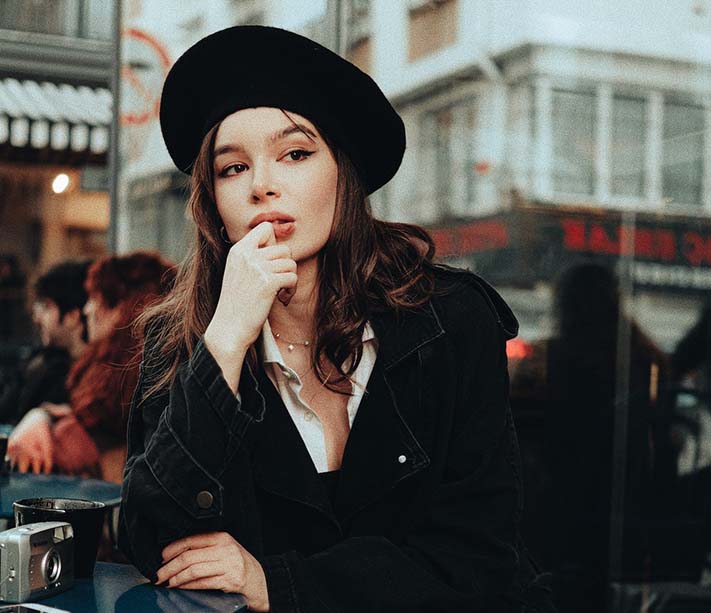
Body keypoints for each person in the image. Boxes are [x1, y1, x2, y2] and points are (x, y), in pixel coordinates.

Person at [119, 26, 552, 613]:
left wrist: (277, 583)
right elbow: (152, 539)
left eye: (295, 154)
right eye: (232, 168)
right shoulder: (181, 341)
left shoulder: (450, 321)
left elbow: (478, 556)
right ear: (213, 204)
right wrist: (222, 343)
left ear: (342, 176)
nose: (263, 186)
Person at [8, 251, 175, 482]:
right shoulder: (155, 378)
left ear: (121, 310)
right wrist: (42, 415)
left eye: (96, 299)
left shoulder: (110, 385)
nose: (87, 310)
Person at [0, 260, 91, 426]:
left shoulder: (87, 380)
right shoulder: (43, 360)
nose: (37, 318)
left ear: (72, 316)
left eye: (47, 307)